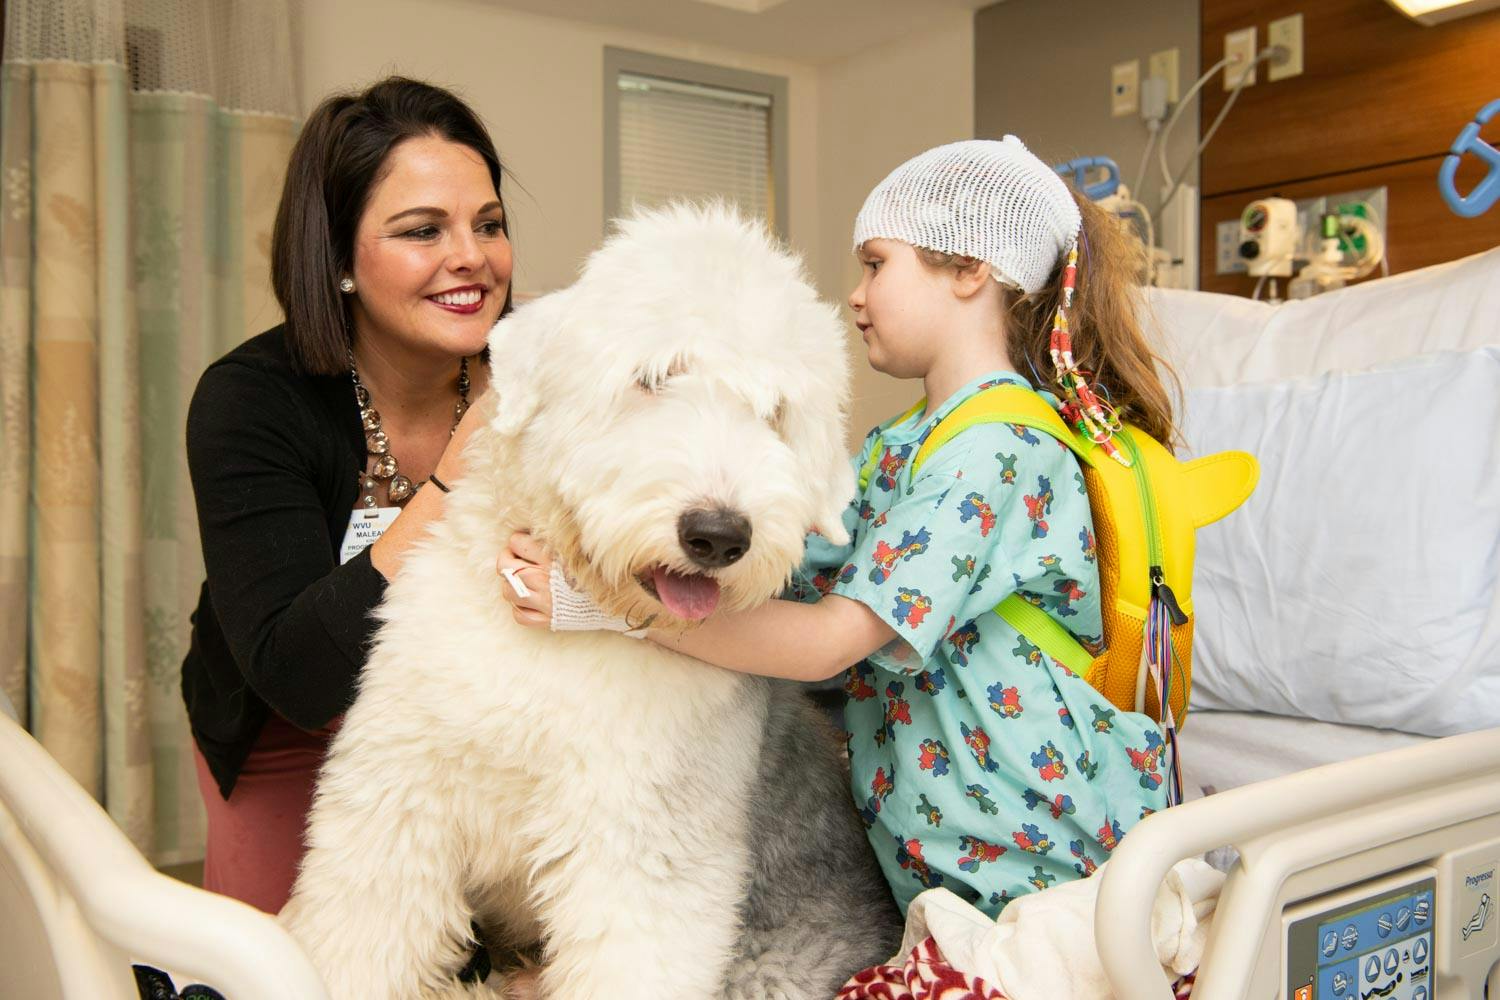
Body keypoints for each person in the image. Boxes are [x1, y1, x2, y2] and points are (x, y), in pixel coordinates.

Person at [498, 138, 1178, 917]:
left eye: (876, 265)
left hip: (1040, 864)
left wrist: (603, 609)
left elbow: (825, 639)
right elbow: (783, 575)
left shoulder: (1000, 452)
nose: (854, 296)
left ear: (970, 271)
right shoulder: (909, 444)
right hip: (948, 867)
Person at [181, 77, 512, 915]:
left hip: (477, 718)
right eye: (422, 230)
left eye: (489, 224)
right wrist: (450, 482)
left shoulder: (543, 372)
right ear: (337, 262)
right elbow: (298, 672)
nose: (471, 255)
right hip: (289, 727)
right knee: (282, 964)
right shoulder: (251, 401)